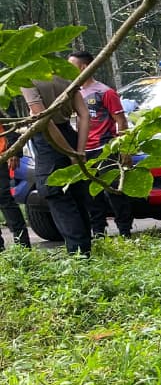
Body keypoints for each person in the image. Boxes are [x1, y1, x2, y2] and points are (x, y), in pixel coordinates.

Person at [20, 78, 92, 255]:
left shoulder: (27, 78)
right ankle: (85, 249)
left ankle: (79, 254)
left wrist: (68, 153)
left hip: (49, 140)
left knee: (56, 194)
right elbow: (85, 114)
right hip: (70, 134)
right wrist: (79, 150)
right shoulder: (65, 75)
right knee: (76, 194)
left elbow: (45, 120)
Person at [68, 51, 134, 239]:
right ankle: (98, 232)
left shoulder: (104, 92)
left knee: (114, 192)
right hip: (82, 151)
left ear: (84, 67)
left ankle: (125, 231)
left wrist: (124, 150)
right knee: (90, 195)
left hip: (105, 149)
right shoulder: (72, 92)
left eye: (71, 66)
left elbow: (121, 121)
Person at [0, 98, 32, 250]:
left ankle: (23, 247)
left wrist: (14, 151)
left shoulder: (2, 91)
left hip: (1, 156)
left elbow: (12, 123)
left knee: (5, 200)